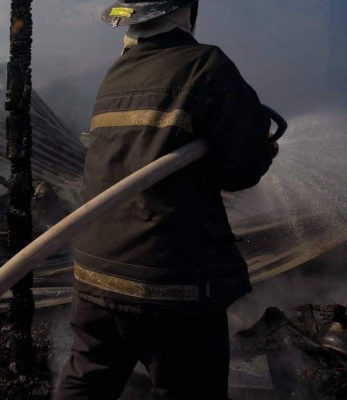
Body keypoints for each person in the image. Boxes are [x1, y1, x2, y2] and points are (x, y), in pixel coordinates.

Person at [55, 1, 279, 399]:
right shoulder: (204, 64)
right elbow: (241, 170)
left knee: (89, 379)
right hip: (168, 282)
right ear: (188, 10)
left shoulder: (115, 74)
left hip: (94, 272)